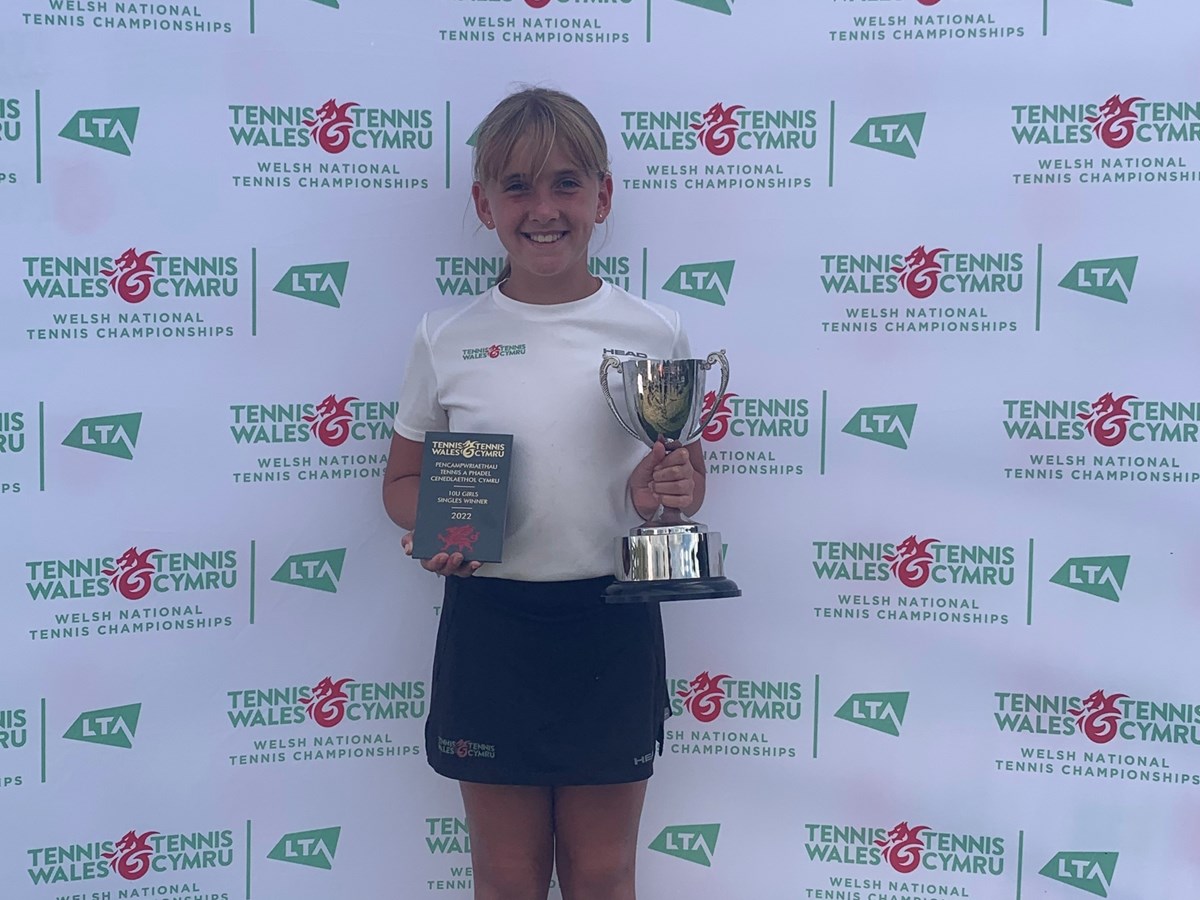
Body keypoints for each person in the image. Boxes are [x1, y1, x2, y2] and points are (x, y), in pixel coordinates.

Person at [382, 87, 707, 900]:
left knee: (602, 872)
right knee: (506, 873)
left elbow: (684, 482)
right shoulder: (444, 339)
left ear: (603, 195)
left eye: (566, 183)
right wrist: (437, 526)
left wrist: (665, 489)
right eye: (517, 186)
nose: (543, 208)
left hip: (612, 624)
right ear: (483, 203)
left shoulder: (655, 332)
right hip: (491, 627)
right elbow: (401, 481)